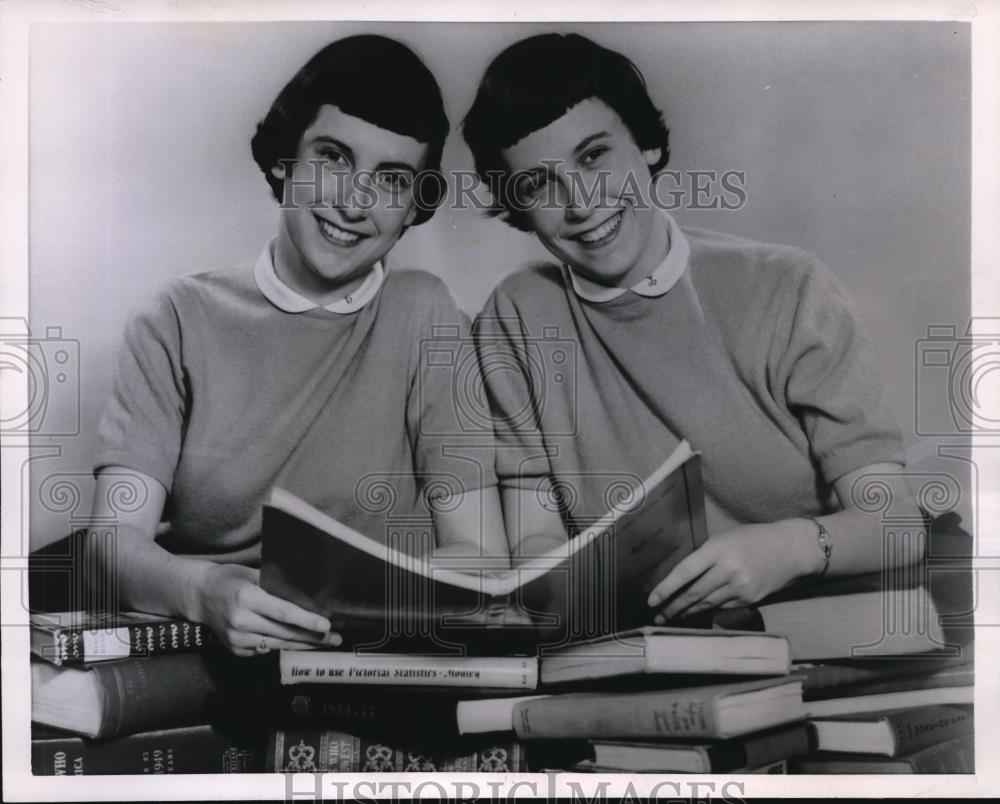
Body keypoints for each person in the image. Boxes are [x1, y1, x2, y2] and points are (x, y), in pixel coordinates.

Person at [462, 32, 923, 623]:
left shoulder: (787, 287)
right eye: (538, 183)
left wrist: (787, 548)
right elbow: (537, 541)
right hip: (635, 647)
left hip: (814, 628)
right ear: (518, 207)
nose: (579, 202)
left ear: (646, 148)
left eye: (595, 156)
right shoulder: (519, 315)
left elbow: (898, 524)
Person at [85, 35, 507, 656]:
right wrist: (207, 591)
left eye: (391, 179)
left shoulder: (426, 314)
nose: (353, 201)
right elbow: (109, 547)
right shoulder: (176, 317)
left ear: (412, 206)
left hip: (377, 655)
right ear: (285, 159)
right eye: (333, 158)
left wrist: (362, 611)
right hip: (212, 647)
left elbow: (482, 555)